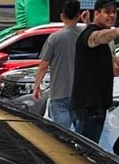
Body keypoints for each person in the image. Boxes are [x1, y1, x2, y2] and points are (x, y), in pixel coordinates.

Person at [70, 0, 119, 143]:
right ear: (97, 13)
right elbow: (98, 37)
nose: (112, 15)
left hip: (96, 105)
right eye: (107, 12)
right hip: (89, 107)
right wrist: (118, 31)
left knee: (91, 147)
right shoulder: (90, 34)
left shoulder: (99, 38)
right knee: (86, 149)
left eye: (114, 12)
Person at [32, 0, 84, 131]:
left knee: (61, 135)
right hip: (80, 95)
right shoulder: (85, 36)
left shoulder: (54, 38)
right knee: (80, 136)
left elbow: (44, 65)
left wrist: (37, 85)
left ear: (62, 16)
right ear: (79, 16)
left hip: (59, 94)